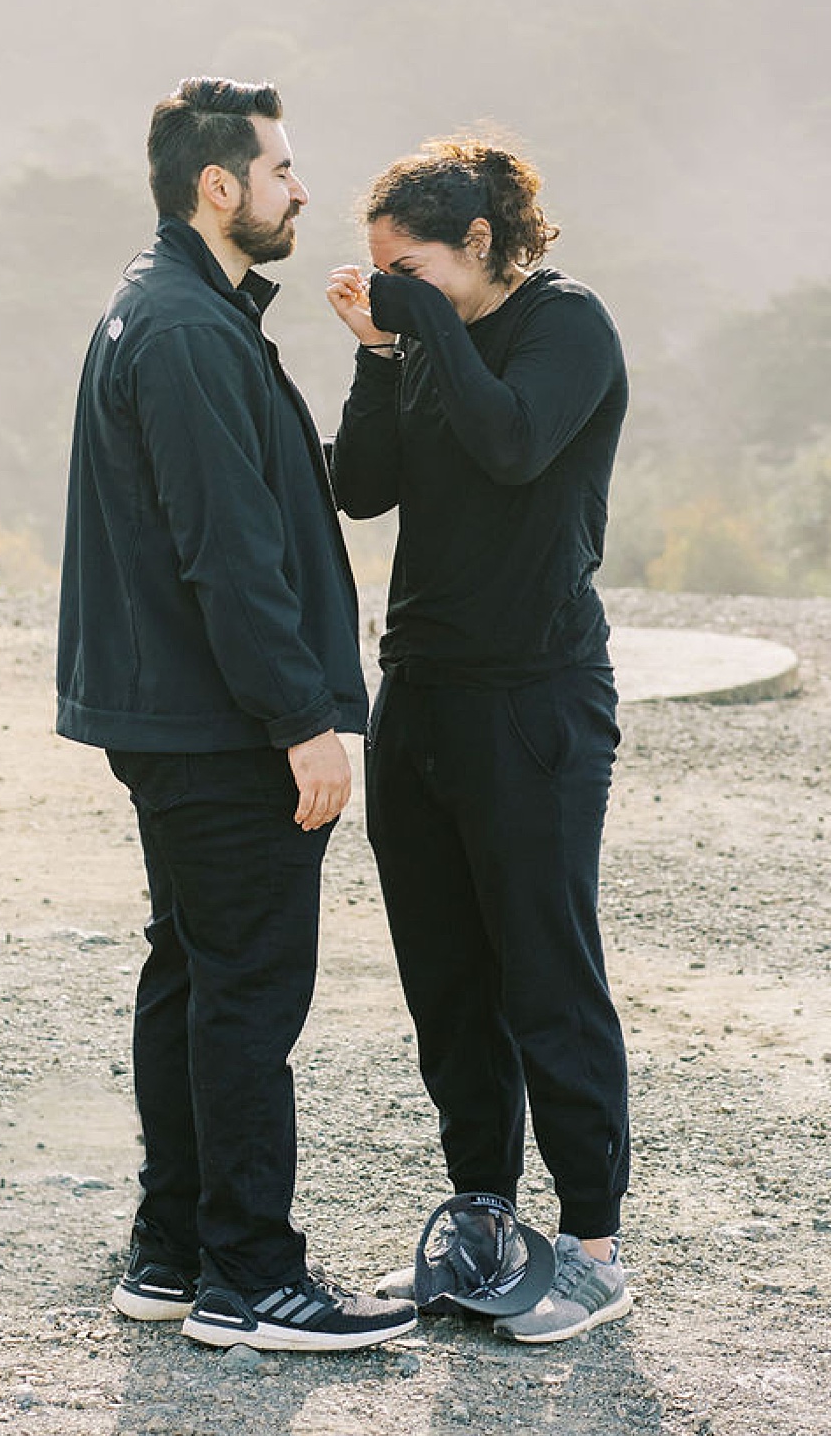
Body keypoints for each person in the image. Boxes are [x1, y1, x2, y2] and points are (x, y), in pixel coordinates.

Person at [57, 76, 416, 1353]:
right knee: (251, 995)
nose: (299, 188)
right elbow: (229, 551)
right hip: (220, 726)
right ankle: (253, 1276)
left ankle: (172, 1251)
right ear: (221, 185)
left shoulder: (171, 309)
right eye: (281, 169)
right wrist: (300, 718)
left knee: (196, 976)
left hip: (180, 719)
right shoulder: (190, 330)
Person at [326, 136, 634, 1345]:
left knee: (545, 972)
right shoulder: (422, 341)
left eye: (413, 268)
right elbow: (359, 485)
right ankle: (485, 1222)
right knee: (448, 980)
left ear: (487, 246)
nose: (393, 286)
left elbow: (512, 443)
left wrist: (425, 335)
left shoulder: (571, 329)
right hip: (422, 689)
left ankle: (596, 1249)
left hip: (536, 694)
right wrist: (380, 353)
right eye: (378, 268)